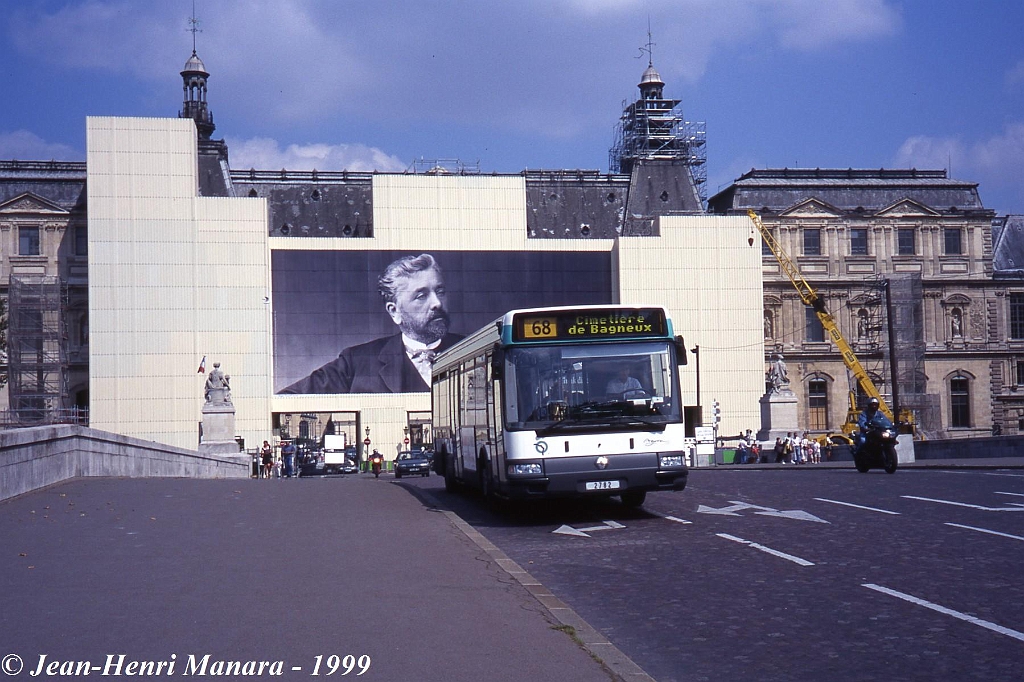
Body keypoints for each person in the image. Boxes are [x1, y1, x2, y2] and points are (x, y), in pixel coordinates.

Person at [282, 254, 464, 394]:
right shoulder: (357, 362)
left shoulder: (473, 347)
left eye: (440, 291)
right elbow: (282, 401)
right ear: (395, 311)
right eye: (421, 296)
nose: (437, 303)